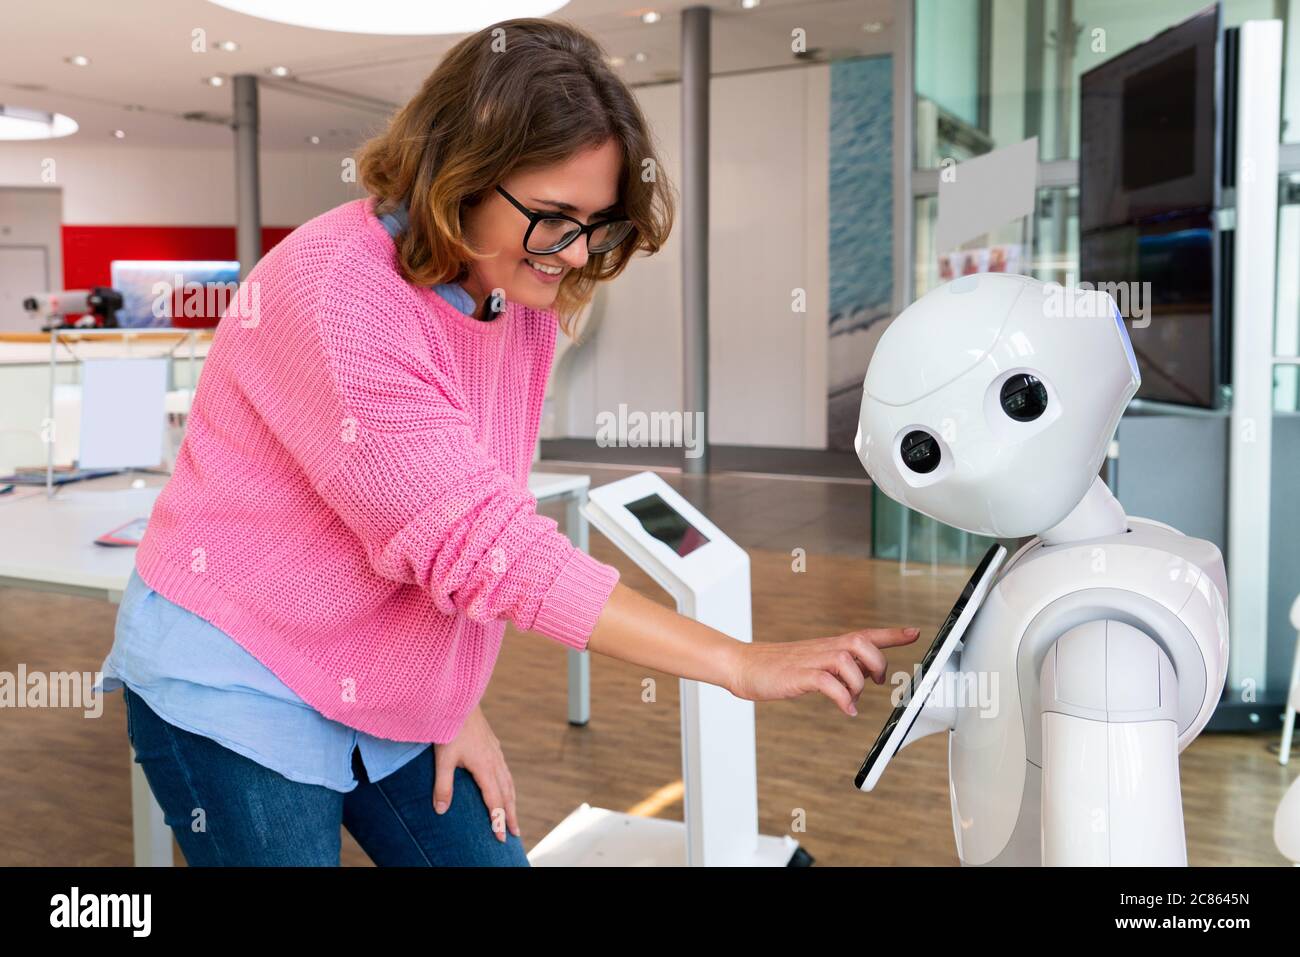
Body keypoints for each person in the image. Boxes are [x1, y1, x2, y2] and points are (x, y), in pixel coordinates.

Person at [98, 17, 918, 867]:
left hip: (377, 674)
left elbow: (460, 510)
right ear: (460, 175)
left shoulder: (512, 291)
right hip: (240, 672)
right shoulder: (339, 293)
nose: (576, 252)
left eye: (597, 222)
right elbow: (487, 548)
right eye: (554, 217)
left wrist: (450, 700)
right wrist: (738, 665)